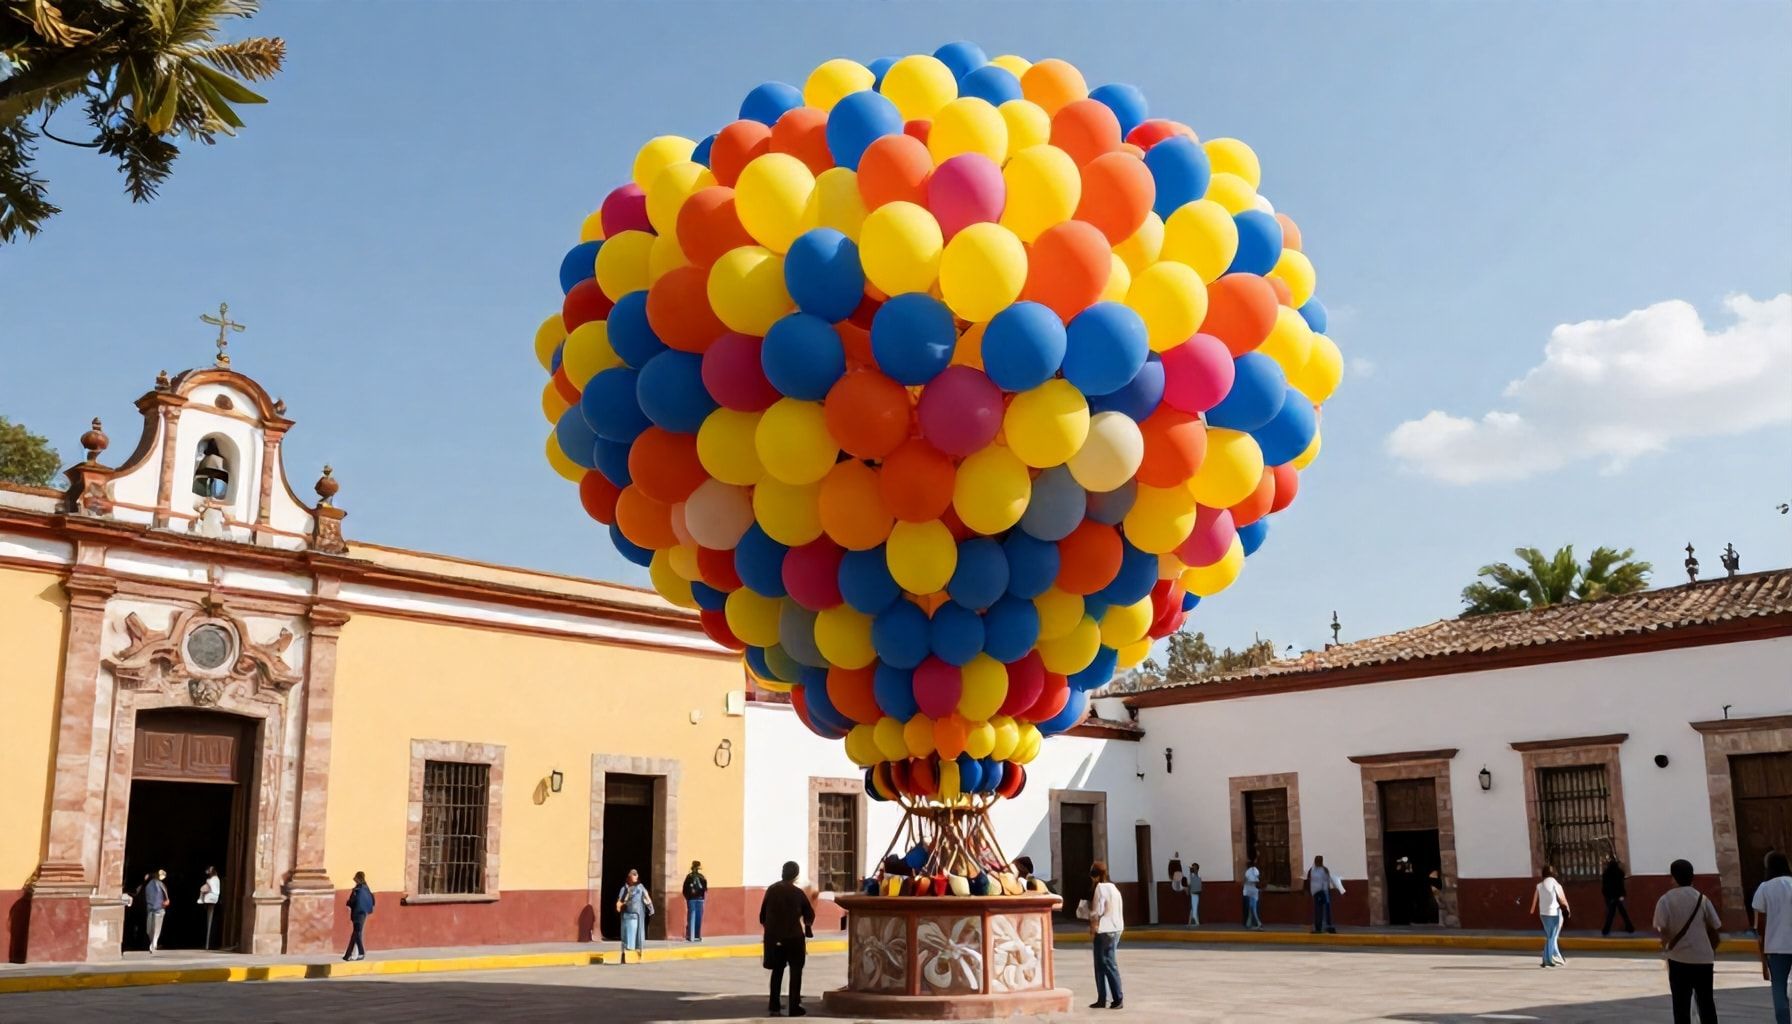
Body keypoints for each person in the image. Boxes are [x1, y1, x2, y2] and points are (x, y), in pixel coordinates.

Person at [1654, 858, 1722, 1024]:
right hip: (1703, 959)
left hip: (1678, 959)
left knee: (1681, 1005)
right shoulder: (1702, 899)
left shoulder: (1666, 900)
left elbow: (1662, 929)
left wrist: (1666, 948)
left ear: (1673, 877)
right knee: (1706, 1003)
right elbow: (1715, 925)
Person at [760, 860, 815, 1017]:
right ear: (796, 875)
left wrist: (771, 932)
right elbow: (809, 914)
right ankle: (794, 1006)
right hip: (794, 938)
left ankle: (774, 1006)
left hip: (775, 938)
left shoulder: (771, 890)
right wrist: (808, 927)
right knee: (796, 971)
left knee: (777, 971)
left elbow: (762, 916)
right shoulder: (797, 893)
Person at [1754, 849, 1792, 1024]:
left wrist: (1762, 949)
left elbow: (1760, 924)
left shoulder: (1764, 888)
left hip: (1775, 946)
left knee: (1778, 988)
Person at [1088, 861, 1124, 1010]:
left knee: (1104, 964)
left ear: (1094, 875)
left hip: (1104, 930)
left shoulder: (1100, 889)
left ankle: (1114, 998)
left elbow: (1098, 911)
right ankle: (1106, 998)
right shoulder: (1114, 887)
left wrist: (1093, 927)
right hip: (1117, 928)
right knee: (1108, 963)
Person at [1528, 864, 1570, 967]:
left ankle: (1550, 958)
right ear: (1553, 873)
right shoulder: (1556, 884)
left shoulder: (1539, 885)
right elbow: (1562, 899)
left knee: (1550, 936)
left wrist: (1532, 910)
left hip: (1543, 914)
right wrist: (1567, 909)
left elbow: (1534, 901)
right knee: (1552, 936)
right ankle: (1549, 959)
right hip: (1554, 913)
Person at [616, 868, 653, 963]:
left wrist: (651, 908)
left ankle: (634, 954)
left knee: (635, 935)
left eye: (636, 874)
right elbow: (619, 901)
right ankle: (625, 955)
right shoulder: (624, 888)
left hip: (636, 915)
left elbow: (647, 898)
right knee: (625, 936)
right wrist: (619, 906)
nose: (635, 876)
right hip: (626, 915)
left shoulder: (640, 888)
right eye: (633, 874)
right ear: (629, 876)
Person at [1305, 855, 1343, 934]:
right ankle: (1328, 927)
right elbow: (1326, 881)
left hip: (1317, 893)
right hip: (1324, 892)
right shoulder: (1324, 870)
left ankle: (1319, 928)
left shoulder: (1312, 870)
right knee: (1326, 910)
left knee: (1318, 910)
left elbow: (1310, 881)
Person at [344, 870, 374, 961]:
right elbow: (372, 900)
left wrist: (348, 903)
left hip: (357, 914)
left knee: (357, 933)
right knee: (356, 934)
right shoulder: (367, 888)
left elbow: (352, 901)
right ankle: (348, 955)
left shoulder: (357, 889)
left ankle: (361, 952)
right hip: (363, 913)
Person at [1602, 856, 1635, 936]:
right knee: (1623, 912)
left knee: (1611, 914)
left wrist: (1606, 895)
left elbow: (1605, 886)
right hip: (1619, 896)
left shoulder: (1606, 873)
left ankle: (1606, 930)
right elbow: (1621, 883)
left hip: (1611, 897)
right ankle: (1630, 928)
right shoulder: (1620, 872)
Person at [143, 868, 169, 952]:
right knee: (150, 928)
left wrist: (165, 902)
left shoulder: (161, 885)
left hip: (159, 909)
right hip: (151, 909)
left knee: (156, 927)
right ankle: (153, 942)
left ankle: (154, 943)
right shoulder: (149, 884)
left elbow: (167, 898)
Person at [682, 860, 708, 942]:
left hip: (691, 899)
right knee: (698, 917)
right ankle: (697, 936)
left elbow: (684, 889)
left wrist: (687, 897)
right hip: (700, 899)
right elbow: (705, 888)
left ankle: (691, 936)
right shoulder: (702, 877)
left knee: (691, 917)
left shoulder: (689, 876)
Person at [198, 866, 222, 950]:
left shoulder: (213, 880)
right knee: (209, 922)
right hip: (211, 899)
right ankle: (207, 944)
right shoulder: (215, 879)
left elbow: (208, 888)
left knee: (210, 922)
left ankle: (208, 944)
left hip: (211, 899)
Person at [1242, 856, 1263, 929]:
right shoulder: (1255, 871)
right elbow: (1256, 880)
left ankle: (1255, 923)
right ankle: (1253, 923)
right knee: (1252, 908)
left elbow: (1246, 881)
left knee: (1252, 908)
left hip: (1249, 891)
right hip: (1252, 891)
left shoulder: (1248, 871)